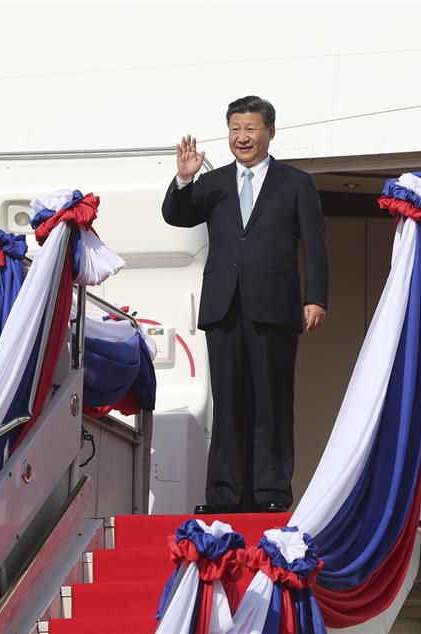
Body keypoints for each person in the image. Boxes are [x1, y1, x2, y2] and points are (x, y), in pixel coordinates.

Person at [162, 96, 329, 514]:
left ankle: (272, 494)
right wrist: (184, 179)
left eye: (251, 129)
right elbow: (176, 215)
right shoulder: (213, 182)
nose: (243, 137)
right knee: (228, 402)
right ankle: (224, 495)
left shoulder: (294, 183)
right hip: (224, 306)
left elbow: (315, 245)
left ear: (270, 132)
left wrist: (315, 297)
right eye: (235, 129)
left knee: (273, 403)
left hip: (275, 306)